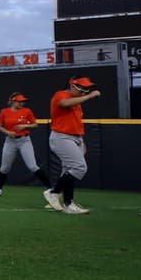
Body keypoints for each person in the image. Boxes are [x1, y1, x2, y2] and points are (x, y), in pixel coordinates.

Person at [43, 77, 101, 215]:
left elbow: (75, 122)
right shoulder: (61, 94)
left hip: (75, 138)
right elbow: (64, 103)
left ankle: (69, 204)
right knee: (79, 167)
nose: (85, 91)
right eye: (83, 89)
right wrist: (90, 96)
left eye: (88, 89)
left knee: (69, 172)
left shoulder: (77, 103)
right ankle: (54, 192)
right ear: (73, 86)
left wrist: (81, 140)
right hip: (61, 137)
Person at [0, 92, 50, 196]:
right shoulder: (4, 111)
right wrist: (8, 132)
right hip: (10, 141)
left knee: (32, 166)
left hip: (24, 140)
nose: (22, 103)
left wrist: (24, 126)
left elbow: (35, 125)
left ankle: (51, 188)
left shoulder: (27, 111)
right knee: (5, 168)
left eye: (23, 101)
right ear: (13, 101)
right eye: (19, 101)